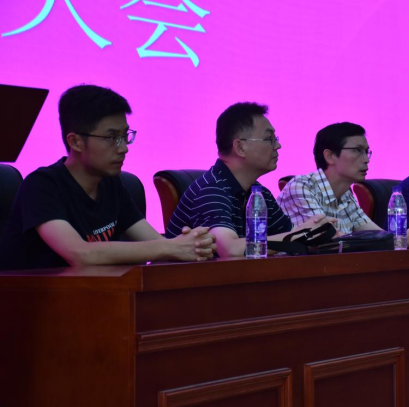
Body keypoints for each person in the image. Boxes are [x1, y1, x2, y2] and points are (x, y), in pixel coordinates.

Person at [0, 84, 216, 272]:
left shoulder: (112, 184)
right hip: (33, 300)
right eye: (112, 137)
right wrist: (171, 247)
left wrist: (194, 245)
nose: (123, 148)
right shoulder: (42, 185)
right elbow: (80, 254)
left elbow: (156, 243)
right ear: (75, 142)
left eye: (125, 136)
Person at [166, 102, 334, 257]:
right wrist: (300, 235)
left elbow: (289, 239)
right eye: (269, 139)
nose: (278, 146)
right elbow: (230, 250)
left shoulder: (259, 193)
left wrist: (317, 235)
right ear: (240, 147)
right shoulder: (211, 190)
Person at [277, 122, 409, 248]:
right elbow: (327, 241)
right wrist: (402, 239)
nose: (366, 159)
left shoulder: (346, 194)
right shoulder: (301, 187)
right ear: (330, 156)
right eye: (357, 150)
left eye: (367, 152)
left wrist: (405, 236)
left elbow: (376, 234)